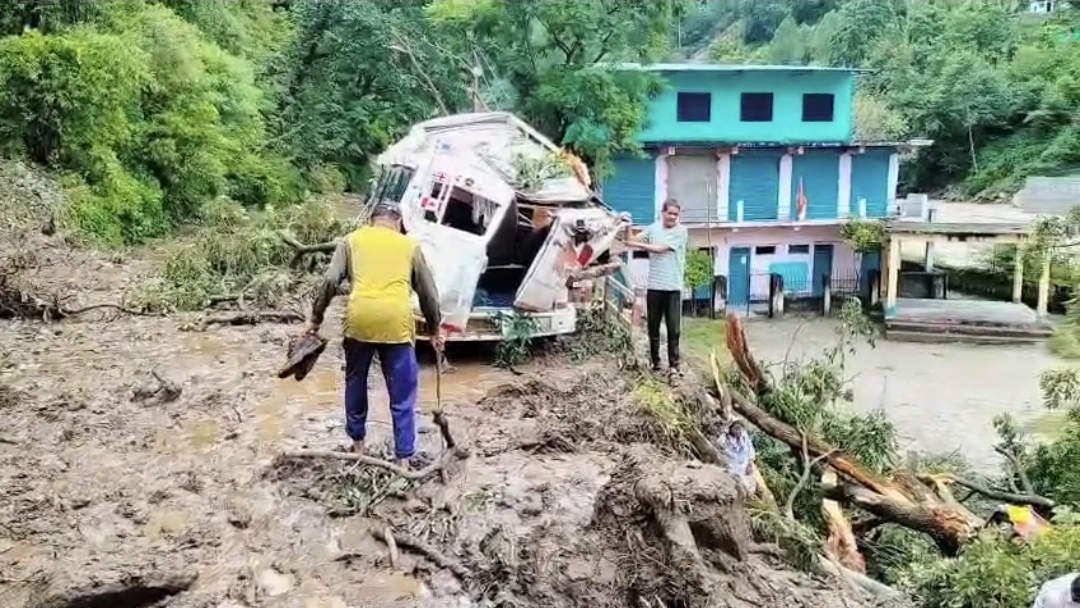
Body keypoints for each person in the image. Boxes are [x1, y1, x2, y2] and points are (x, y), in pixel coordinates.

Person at [302, 201, 446, 468]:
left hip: (360, 321)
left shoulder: (351, 240)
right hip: (397, 324)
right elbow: (428, 294)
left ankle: (358, 447)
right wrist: (435, 328)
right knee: (402, 394)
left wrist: (316, 318)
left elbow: (331, 281)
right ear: (399, 222)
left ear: (371, 221)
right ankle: (403, 459)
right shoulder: (409, 245)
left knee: (356, 381)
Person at [628, 200, 688, 374]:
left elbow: (660, 249)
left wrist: (639, 245)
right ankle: (656, 362)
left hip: (673, 287)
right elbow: (630, 241)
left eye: (676, 214)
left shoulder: (681, 231)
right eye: (670, 213)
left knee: (673, 329)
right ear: (662, 213)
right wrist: (627, 225)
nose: (672, 217)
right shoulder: (653, 229)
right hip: (654, 286)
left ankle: (674, 366)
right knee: (653, 327)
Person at [716, 419, 756, 493]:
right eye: (736, 429)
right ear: (730, 429)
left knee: (749, 488)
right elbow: (720, 447)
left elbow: (750, 450)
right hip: (733, 469)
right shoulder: (725, 439)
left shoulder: (744, 436)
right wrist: (725, 433)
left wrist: (750, 463)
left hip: (745, 468)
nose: (739, 431)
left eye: (740, 428)